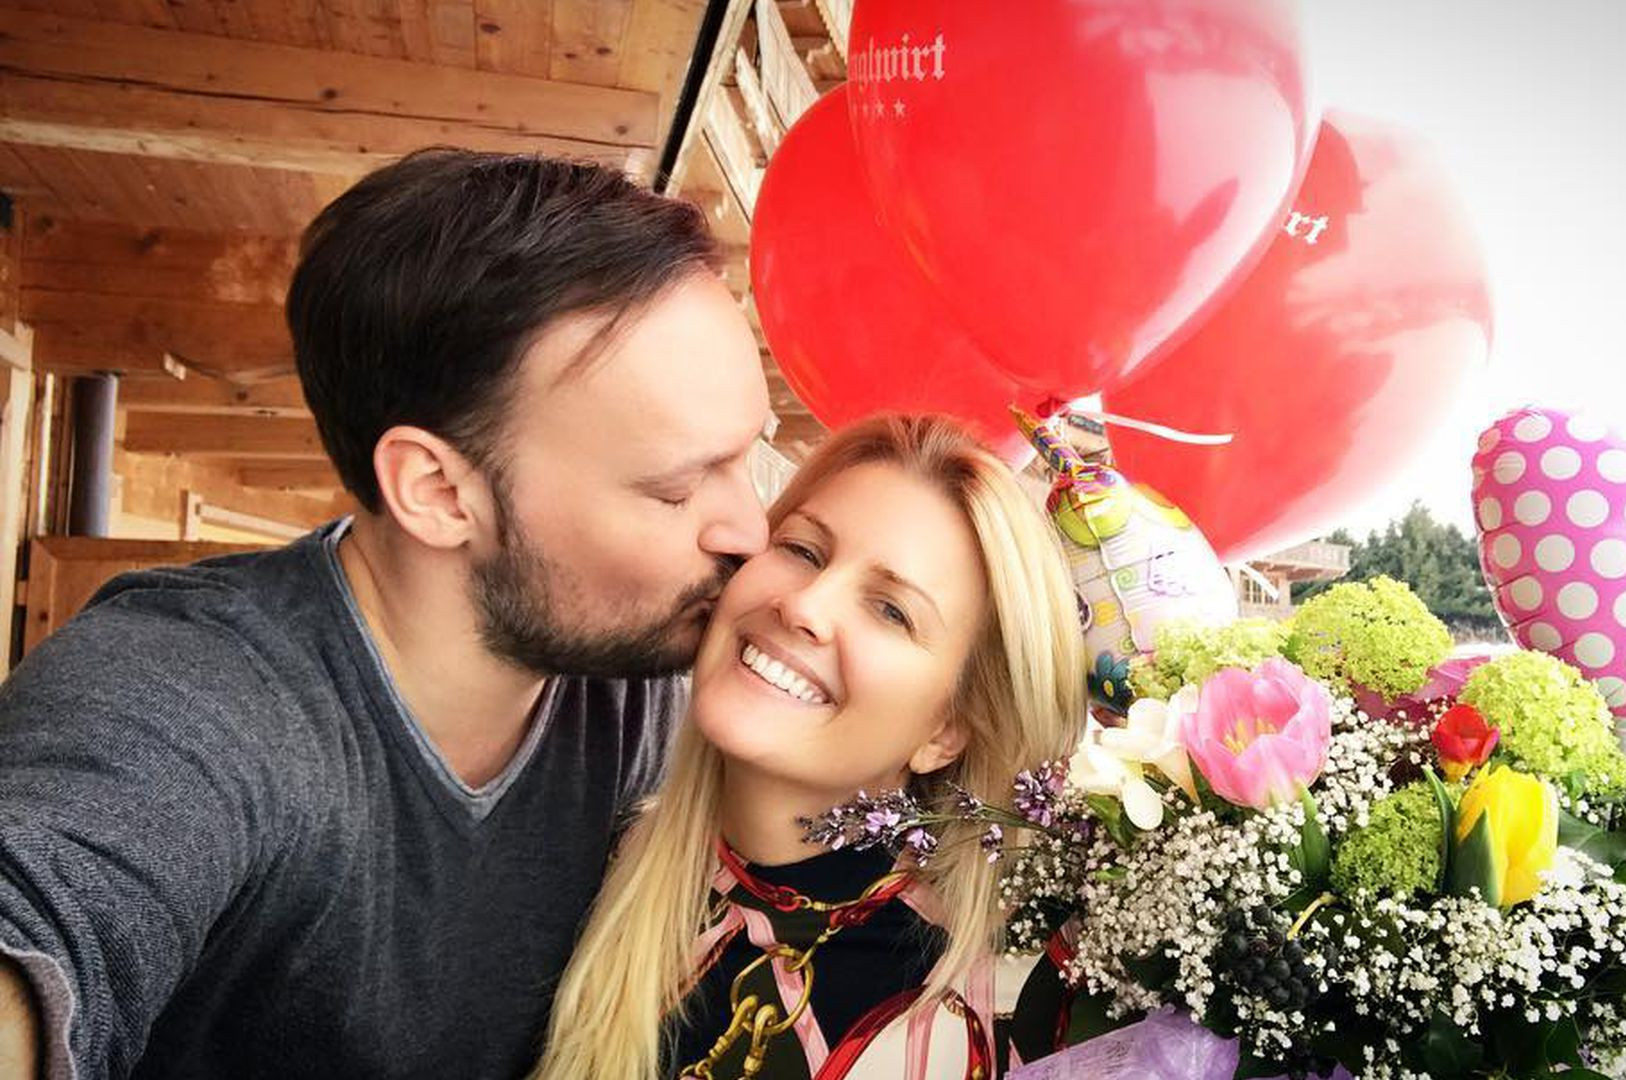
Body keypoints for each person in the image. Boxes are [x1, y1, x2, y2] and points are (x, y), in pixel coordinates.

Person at [0, 149, 773, 1079]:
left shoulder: (637, 681)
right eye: (678, 488)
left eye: (746, 459)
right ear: (440, 491)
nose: (750, 530)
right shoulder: (192, 696)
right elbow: (48, 899)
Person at [532, 414, 1086, 1080]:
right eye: (802, 550)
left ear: (947, 730)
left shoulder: (1007, 1013)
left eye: (891, 610)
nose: (805, 606)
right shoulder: (598, 866)